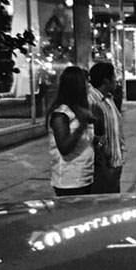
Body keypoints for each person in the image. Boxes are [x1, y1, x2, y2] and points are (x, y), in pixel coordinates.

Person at [46, 66, 96, 196]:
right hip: (69, 181)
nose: (88, 85)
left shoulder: (80, 109)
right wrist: (82, 126)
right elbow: (64, 147)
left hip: (85, 176)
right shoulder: (61, 114)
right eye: (85, 82)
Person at [88, 62, 126, 193]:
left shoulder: (109, 99)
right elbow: (90, 135)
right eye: (114, 77)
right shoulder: (92, 101)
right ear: (106, 80)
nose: (116, 81)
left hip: (116, 164)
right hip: (102, 168)